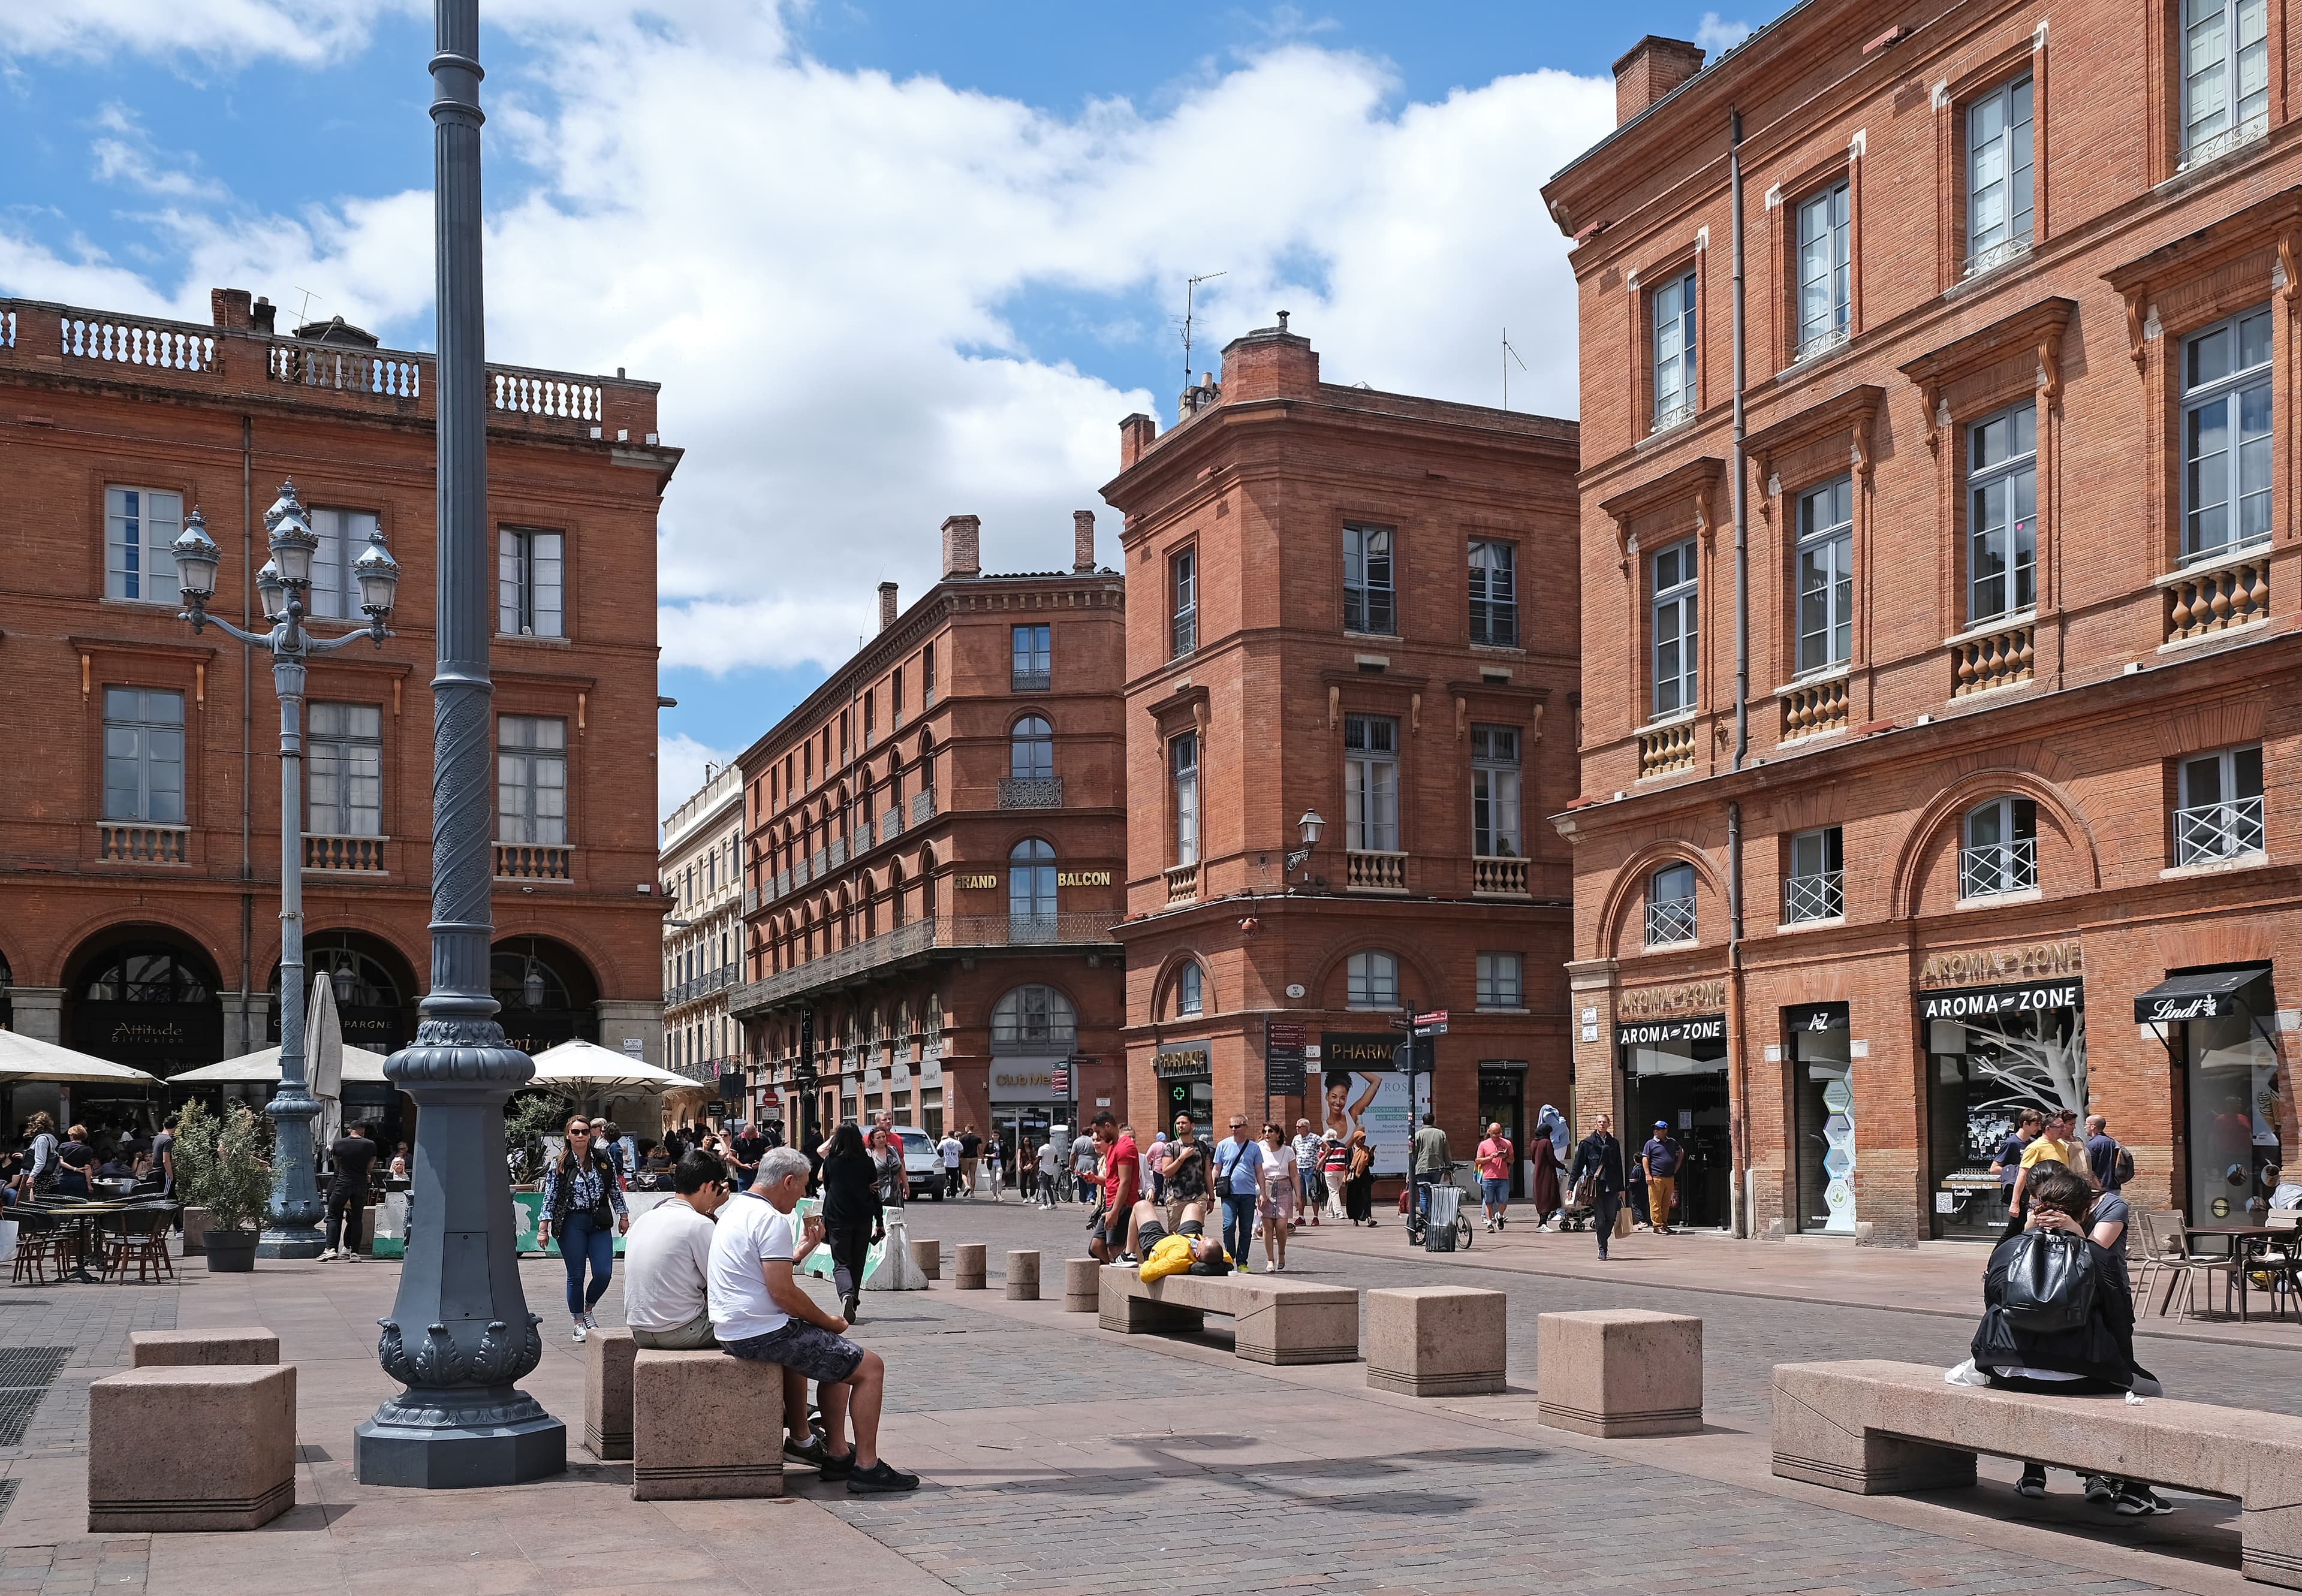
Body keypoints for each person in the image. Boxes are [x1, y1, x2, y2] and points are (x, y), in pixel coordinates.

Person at [708, 1146, 918, 1494]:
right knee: (871, 1369)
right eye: (803, 1187)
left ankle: (837, 1453)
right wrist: (828, 1320)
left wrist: (803, 1249)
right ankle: (867, 1466)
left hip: (735, 1327)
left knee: (837, 1356)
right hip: (763, 1332)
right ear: (787, 1181)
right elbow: (783, 1292)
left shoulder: (736, 1209)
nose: (805, 1195)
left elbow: (760, 1274)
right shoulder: (772, 1219)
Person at [1973, 1165, 2169, 1516]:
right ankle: (2134, 1492)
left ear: (2037, 1208)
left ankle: (2034, 1474)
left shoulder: (2008, 1249)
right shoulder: (2096, 1257)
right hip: (2081, 1372)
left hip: (2007, 1367)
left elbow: (1993, 1302)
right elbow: (2120, 1322)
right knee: (2150, 1391)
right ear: (2085, 1212)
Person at [536, 1115, 631, 1342]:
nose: (581, 1136)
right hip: (571, 1222)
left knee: (604, 1273)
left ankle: (588, 1309)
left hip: (598, 1221)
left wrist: (623, 1215)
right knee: (576, 1275)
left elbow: (614, 1189)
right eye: (576, 1132)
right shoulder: (559, 1163)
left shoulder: (602, 1158)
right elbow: (550, 1195)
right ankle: (578, 1321)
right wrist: (543, 1226)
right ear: (568, 1135)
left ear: (591, 1134)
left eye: (585, 1132)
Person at [624, 1149, 731, 1348]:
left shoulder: (645, 1218)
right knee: (764, 1325)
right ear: (708, 1187)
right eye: (718, 1189)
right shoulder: (699, 1224)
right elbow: (725, 1282)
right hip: (682, 1330)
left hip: (640, 1331)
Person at [818, 1124, 885, 1324]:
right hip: (863, 1217)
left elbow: (827, 1185)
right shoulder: (867, 1162)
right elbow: (876, 1193)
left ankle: (847, 1295)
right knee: (858, 1263)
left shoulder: (831, 1161)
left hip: (837, 1217)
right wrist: (880, 1221)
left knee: (841, 1263)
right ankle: (853, 1301)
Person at [1567, 1114, 1629, 1260]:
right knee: (1600, 1220)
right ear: (1596, 1124)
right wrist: (1571, 1186)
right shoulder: (1587, 1144)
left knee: (1611, 1218)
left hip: (1612, 1186)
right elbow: (1578, 1166)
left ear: (1609, 1124)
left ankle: (1602, 1238)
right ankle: (1603, 1249)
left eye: (1604, 1122)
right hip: (1595, 1188)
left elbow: (1619, 1167)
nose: (1602, 1124)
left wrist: (1622, 1188)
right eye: (1599, 1122)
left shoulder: (1614, 1143)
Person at [1124, 1197, 1230, 1277]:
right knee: (1193, 1207)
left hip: (1158, 1244)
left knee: (1142, 1205)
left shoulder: (1177, 1261)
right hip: (1187, 1238)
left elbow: (1146, 1274)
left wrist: (1150, 1260)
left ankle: (1128, 1254)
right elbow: (1228, 1259)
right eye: (1206, 1239)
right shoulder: (1216, 1254)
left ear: (1198, 1254)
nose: (1205, 1238)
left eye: (1203, 1242)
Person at [2010, 1109, 2081, 1226]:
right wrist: (2015, 1203)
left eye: (2064, 1126)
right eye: (2060, 1127)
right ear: (2048, 1128)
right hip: (2043, 1201)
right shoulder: (2035, 1148)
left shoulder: (2062, 1145)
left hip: (2063, 1199)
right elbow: (2022, 1176)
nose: (2064, 1129)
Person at [321, 1121, 379, 1260]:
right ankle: (355, 1253)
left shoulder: (339, 1144)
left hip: (342, 1182)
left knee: (334, 1216)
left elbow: (336, 1165)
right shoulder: (370, 1145)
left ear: (349, 1130)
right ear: (363, 1132)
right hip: (360, 1184)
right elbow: (371, 1165)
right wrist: (365, 1173)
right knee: (357, 1218)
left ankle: (330, 1248)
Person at [1213, 1117, 1264, 1267]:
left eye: (1237, 1126)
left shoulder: (1254, 1147)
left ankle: (1242, 1261)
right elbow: (1216, 1169)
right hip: (1228, 1193)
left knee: (1246, 1228)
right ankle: (1229, 1258)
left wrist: (1262, 1192)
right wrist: (1211, 1190)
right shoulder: (1223, 1145)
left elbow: (1259, 1171)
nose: (1234, 1129)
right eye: (1231, 1127)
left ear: (1245, 1127)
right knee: (1228, 1225)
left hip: (1248, 1193)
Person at [1089, 1114, 1140, 1263]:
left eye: (1098, 1132)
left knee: (1114, 1249)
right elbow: (1112, 1180)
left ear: (1107, 1126)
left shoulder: (1124, 1147)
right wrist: (1095, 1179)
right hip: (1110, 1203)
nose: (1098, 1136)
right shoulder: (1113, 1147)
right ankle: (1114, 1273)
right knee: (1096, 1246)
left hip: (1122, 1204)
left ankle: (1122, 1277)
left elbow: (1125, 1182)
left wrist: (1115, 1212)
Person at [1990, 1109, 2043, 1221]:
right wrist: (2016, 1171)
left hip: (2030, 1191)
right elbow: (1994, 1169)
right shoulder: (2011, 1143)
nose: (2039, 1128)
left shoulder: (2034, 1143)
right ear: (2025, 1124)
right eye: (2036, 1125)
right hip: (2017, 1191)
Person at [1257, 1123, 1295, 1272]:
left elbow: (1294, 1174)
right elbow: (1256, 1169)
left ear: (1278, 1134)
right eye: (1265, 1131)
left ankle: (1281, 1253)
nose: (1267, 1134)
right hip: (1265, 1186)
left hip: (1284, 1186)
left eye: (1271, 1131)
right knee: (1267, 1227)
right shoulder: (1259, 1148)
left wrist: (1299, 1195)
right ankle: (1270, 1260)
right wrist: (1260, 1192)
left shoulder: (1288, 1151)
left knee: (1281, 1226)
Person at [1643, 1120, 1685, 1236]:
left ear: (1665, 1131)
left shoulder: (1672, 1142)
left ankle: (1664, 1225)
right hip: (1656, 1177)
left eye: (1658, 1129)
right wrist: (1648, 1174)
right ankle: (1657, 1226)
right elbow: (1645, 1159)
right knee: (1655, 1203)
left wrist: (1677, 1167)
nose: (1656, 1131)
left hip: (1669, 1177)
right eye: (1655, 1129)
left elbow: (1681, 1151)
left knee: (1666, 1203)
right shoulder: (1650, 1144)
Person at [1410, 1113, 1450, 1224]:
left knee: (1423, 1194)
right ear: (1434, 1121)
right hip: (1437, 1168)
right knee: (1433, 1193)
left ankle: (1425, 1217)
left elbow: (1413, 1155)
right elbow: (1447, 1154)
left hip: (1422, 1168)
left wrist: (1410, 1172)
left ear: (1422, 1122)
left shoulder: (1418, 1135)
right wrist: (1448, 1170)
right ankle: (1433, 1216)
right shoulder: (1441, 1134)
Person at [1476, 1122, 1514, 1233]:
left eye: (1499, 1133)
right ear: (1490, 1132)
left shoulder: (1507, 1143)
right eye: (1495, 1133)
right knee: (1489, 1201)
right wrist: (1489, 1158)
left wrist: (1505, 1157)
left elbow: (1512, 1160)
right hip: (1488, 1177)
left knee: (1503, 1201)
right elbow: (1478, 1160)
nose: (1498, 1135)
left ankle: (1500, 1216)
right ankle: (1489, 1223)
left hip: (1503, 1177)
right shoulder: (1483, 1145)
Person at [1291, 1119, 1325, 1228]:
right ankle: (1301, 1217)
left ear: (1306, 1128)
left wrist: (1319, 1162)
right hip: (1299, 1170)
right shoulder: (1296, 1139)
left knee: (1314, 1194)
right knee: (1300, 1194)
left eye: (1299, 1127)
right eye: (1296, 1126)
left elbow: (1327, 1149)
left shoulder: (1315, 1138)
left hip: (1311, 1169)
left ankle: (1315, 1217)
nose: (1297, 1128)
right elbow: (1293, 1152)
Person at [1530, 1123, 1563, 1230]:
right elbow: (1552, 1159)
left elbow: (1533, 1160)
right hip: (1547, 1173)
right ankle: (1543, 1224)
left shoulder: (1533, 1143)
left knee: (1541, 1197)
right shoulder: (1546, 1142)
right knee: (1548, 1196)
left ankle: (1542, 1222)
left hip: (1537, 1174)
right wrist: (1562, 1166)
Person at [2083, 1114, 2128, 1194]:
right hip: (2114, 1186)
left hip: (2098, 1188)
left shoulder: (2092, 1144)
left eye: (2086, 1124)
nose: (2085, 1127)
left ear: (2093, 1127)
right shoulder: (2113, 1142)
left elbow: (2088, 1167)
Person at [1343, 1126, 1376, 1226]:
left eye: (1364, 1139)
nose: (1363, 1141)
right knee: (1354, 1198)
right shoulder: (1349, 1151)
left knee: (1366, 1198)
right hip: (1353, 1179)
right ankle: (1355, 1219)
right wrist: (1350, 1167)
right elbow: (1346, 1164)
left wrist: (1371, 1155)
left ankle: (1369, 1218)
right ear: (1356, 1139)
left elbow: (1370, 1164)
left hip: (1364, 1177)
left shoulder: (1366, 1149)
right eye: (1361, 1139)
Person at [1322, 1132, 1349, 1221]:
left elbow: (1320, 1157)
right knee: (1335, 1191)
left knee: (1333, 1191)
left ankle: (1339, 1212)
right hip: (1341, 1170)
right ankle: (1330, 1211)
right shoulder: (1342, 1146)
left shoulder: (1325, 1146)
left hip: (1330, 1170)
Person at [1070, 1126, 1100, 1205]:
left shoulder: (1077, 1141)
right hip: (1091, 1161)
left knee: (1081, 1180)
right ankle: (1092, 1197)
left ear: (1081, 1133)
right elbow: (1098, 1151)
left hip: (1081, 1162)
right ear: (1089, 1133)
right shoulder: (1092, 1140)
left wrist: (1071, 1165)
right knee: (1092, 1179)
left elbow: (1073, 1154)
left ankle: (1082, 1200)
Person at [152, 1114, 177, 1199]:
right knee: (166, 1199)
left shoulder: (157, 1138)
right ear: (175, 1127)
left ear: (163, 1125)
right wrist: (171, 1176)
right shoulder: (168, 1140)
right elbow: (165, 1160)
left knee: (160, 1197)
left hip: (156, 1171)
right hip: (164, 1172)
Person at [1034, 1135, 1061, 1208]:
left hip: (1043, 1169)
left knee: (1042, 1187)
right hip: (1051, 1170)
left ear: (1044, 1139)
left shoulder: (1042, 1148)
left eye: (1042, 1138)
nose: (1041, 1140)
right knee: (1049, 1187)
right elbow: (1056, 1160)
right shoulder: (1054, 1148)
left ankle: (1045, 1204)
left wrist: (1032, 1166)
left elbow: (1039, 1159)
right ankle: (1053, 1203)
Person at [1145, 1132, 1171, 1206]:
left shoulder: (1155, 1145)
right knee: (1166, 1186)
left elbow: (1147, 1156)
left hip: (1157, 1168)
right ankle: (1166, 1200)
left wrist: (1151, 1161)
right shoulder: (1168, 1145)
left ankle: (1155, 1200)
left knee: (1157, 1185)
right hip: (1167, 1167)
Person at [958, 1123, 983, 1197]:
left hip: (965, 1158)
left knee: (964, 1174)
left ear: (968, 1128)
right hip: (974, 1157)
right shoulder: (977, 1138)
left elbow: (960, 1150)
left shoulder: (962, 1138)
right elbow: (980, 1149)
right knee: (973, 1175)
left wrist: (959, 1157)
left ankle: (967, 1186)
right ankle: (972, 1192)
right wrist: (982, 1158)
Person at [938, 1129, 962, 1199]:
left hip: (946, 1163)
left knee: (945, 1178)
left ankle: (947, 1187)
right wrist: (958, 1156)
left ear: (948, 1135)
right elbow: (962, 1150)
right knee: (954, 1180)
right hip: (954, 1164)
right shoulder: (957, 1143)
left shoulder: (944, 1142)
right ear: (954, 1135)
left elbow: (938, 1149)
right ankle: (953, 1194)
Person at [982, 1133, 1004, 1202]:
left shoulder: (1002, 1143)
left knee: (999, 1179)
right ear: (992, 1136)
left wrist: (1007, 1163)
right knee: (993, 1180)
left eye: (997, 1135)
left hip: (1000, 1162)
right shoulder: (989, 1144)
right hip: (991, 1163)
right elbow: (984, 1153)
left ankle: (1000, 1194)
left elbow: (1006, 1153)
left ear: (999, 1136)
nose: (995, 1137)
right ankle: (995, 1195)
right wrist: (990, 1155)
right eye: (994, 1135)